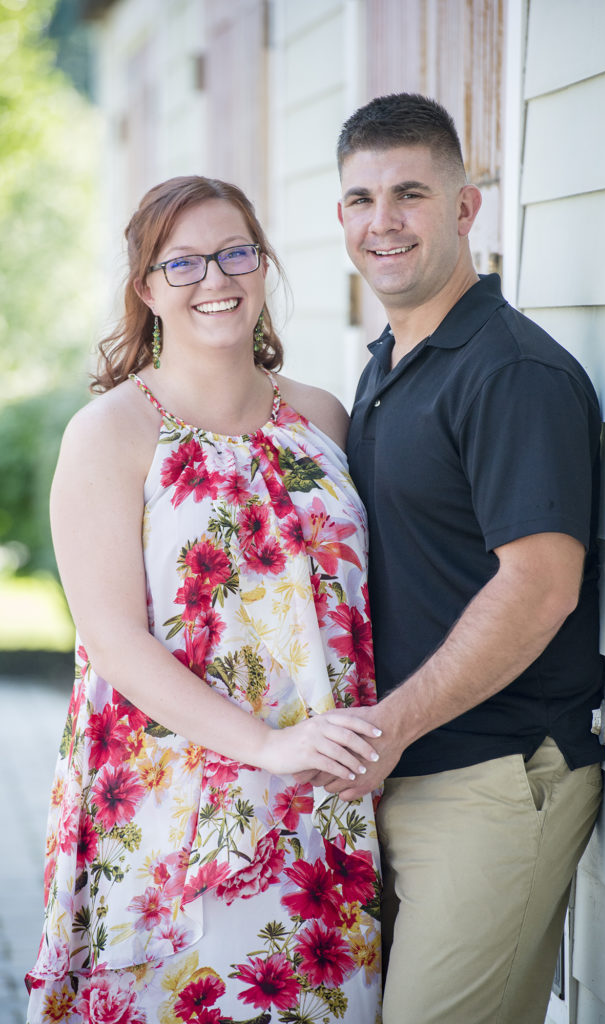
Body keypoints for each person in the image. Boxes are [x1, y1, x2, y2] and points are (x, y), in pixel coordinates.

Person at [26, 175, 383, 1022]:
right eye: (182, 264)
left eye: (234, 254)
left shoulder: (324, 419)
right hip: (170, 803)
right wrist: (266, 745)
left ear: (262, 266)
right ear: (146, 288)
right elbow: (112, 637)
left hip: (319, 796)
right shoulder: (113, 431)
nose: (214, 281)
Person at [328, 93, 605, 1023]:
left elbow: (538, 588)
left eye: (411, 193)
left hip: (492, 781)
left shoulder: (509, 372)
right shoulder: (389, 367)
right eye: (362, 200)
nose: (385, 222)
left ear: (466, 206)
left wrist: (389, 726)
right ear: (340, 218)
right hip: (403, 773)